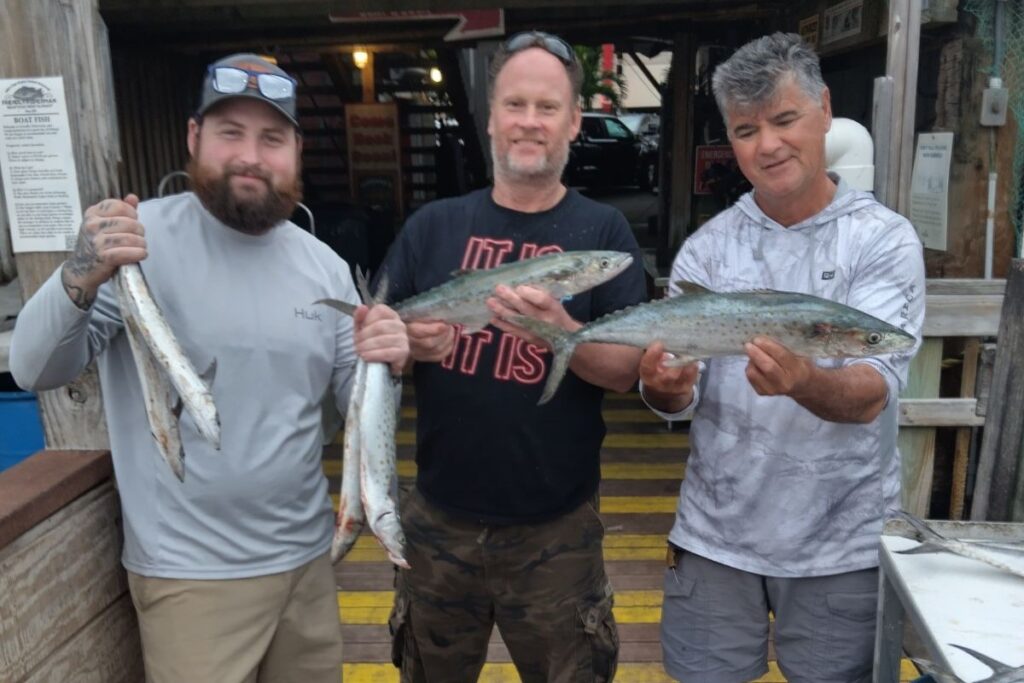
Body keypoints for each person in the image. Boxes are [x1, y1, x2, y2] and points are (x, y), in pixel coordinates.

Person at [9, 53, 408, 683]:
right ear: (194, 137)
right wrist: (79, 272)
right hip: (188, 577)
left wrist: (388, 356)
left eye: (271, 138)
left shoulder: (326, 266)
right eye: (230, 133)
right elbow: (35, 368)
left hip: (307, 564)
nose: (251, 155)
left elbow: (352, 402)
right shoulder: (137, 244)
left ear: (296, 151)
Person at [638, 33, 925, 683]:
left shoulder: (882, 240)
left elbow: (872, 390)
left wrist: (801, 379)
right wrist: (662, 386)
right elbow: (673, 402)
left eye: (785, 120)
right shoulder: (707, 248)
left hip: (839, 546)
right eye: (746, 129)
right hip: (714, 543)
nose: (767, 144)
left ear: (825, 110)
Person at [376, 31, 647, 683]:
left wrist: (562, 330)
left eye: (548, 107)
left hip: (558, 531)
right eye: (516, 104)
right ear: (492, 117)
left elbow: (626, 370)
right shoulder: (431, 226)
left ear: (575, 121)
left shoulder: (603, 232)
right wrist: (407, 347)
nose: (530, 121)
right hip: (437, 523)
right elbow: (375, 344)